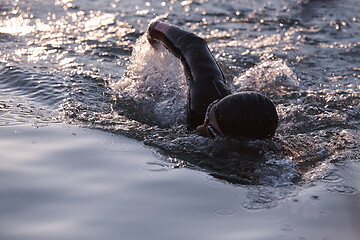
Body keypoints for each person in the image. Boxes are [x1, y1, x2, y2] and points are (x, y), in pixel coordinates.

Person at [147, 20, 278, 139]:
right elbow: (192, 44)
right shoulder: (206, 97)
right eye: (208, 114)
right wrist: (155, 28)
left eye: (211, 131)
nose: (200, 127)